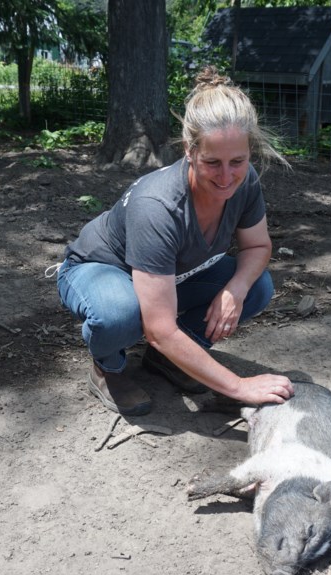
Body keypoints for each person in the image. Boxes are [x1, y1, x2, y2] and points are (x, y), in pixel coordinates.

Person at [56, 66, 295, 415]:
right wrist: (238, 386)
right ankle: (108, 368)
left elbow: (258, 246)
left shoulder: (246, 182)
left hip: (166, 277)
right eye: (212, 162)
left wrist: (235, 290)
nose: (227, 177)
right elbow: (159, 328)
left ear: (249, 152)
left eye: (238, 161)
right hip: (99, 269)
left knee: (256, 287)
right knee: (119, 314)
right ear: (189, 149)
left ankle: (168, 363)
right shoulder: (158, 206)